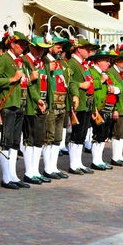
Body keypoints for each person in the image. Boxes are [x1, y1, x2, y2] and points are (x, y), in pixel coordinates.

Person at [0, 28, 32, 190]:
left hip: (20, 103)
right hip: (8, 104)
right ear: (12, 44)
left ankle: (13, 175)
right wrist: (12, 79)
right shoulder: (3, 59)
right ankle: (6, 177)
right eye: (20, 44)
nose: (22, 47)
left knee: (15, 143)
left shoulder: (19, 60)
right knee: (6, 142)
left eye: (23, 44)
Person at [43, 35, 77, 179]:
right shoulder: (44, 62)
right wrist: (46, 70)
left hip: (62, 103)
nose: (60, 50)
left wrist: (75, 95)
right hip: (50, 104)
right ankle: (47, 168)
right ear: (50, 46)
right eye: (58, 47)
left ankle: (54, 167)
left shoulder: (64, 64)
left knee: (58, 138)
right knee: (48, 137)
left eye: (61, 48)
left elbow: (71, 82)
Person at [67, 38, 99, 175]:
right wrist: (79, 85)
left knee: (82, 134)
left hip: (87, 102)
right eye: (86, 49)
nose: (89, 51)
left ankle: (78, 162)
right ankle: (73, 164)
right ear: (78, 49)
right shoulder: (72, 63)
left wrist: (94, 107)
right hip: (78, 103)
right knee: (77, 134)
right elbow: (68, 80)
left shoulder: (84, 64)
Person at [21, 37, 50, 185]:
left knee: (39, 138)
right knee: (30, 138)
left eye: (43, 49)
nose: (40, 51)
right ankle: (28, 171)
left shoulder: (44, 61)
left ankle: (36, 171)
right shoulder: (25, 61)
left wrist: (47, 101)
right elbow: (29, 85)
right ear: (31, 47)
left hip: (43, 102)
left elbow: (48, 81)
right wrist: (38, 99)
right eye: (38, 48)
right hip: (32, 105)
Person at [88, 50, 118, 171]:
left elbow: (117, 86)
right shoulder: (93, 72)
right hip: (98, 108)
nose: (108, 63)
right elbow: (90, 85)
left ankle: (99, 160)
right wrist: (100, 81)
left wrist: (113, 89)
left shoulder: (107, 74)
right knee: (98, 134)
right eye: (106, 61)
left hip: (108, 109)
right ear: (98, 61)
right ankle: (95, 161)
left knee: (104, 135)